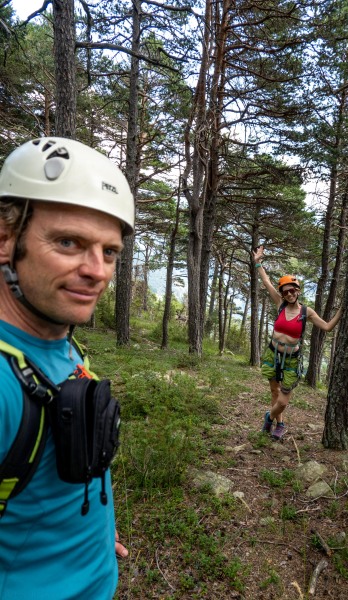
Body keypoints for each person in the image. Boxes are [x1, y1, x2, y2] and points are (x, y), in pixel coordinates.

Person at [0, 137, 133, 599]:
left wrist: (92, 541)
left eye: (109, 251)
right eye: (69, 242)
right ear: (5, 239)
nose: (97, 270)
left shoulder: (55, 337)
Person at [252, 245, 342, 440]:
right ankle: (280, 425)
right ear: (282, 294)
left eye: (292, 290)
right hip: (273, 354)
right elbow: (265, 280)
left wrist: (341, 311)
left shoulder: (306, 312)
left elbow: (326, 327)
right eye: (286, 292)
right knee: (274, 391)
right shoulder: (280, 304)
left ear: (298, 291)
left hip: (292, 358)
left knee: (283, 400)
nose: (290, 294)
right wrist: (258, 262)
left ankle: (269, 417)